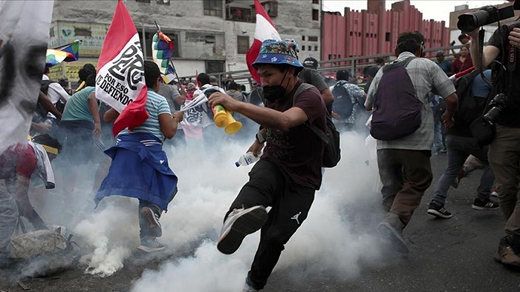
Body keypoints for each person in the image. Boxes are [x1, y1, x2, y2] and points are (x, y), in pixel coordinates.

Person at [208, 39, 326, 291]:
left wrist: (235, 104)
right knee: (259, 181)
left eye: (269, 74)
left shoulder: (309, 95)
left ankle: (253, 284)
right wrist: (258, 142)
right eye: (260, 75)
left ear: (290, 72)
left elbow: (284, 121)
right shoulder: (271, 93)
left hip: (303, 180)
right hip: (274, 162)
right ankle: (235, 217)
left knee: (274, 238)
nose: (264, 81)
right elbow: (269, 122)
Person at [365, 32, 458, 253]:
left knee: (391, 186)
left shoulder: (383, 70)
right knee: (418, 180)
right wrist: (448, 115)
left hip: (385, 142)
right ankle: (392, 223)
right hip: (415, 140)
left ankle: (382, 236)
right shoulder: (427, 65)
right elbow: (451, 97)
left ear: (396, 51)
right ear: (420, 50)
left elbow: (368, 104)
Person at [96, 61, 183, 252]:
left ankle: (147, 241)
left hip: (125, 151)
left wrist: (125, 99)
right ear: (158, 81)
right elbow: (169, 132)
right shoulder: (160, 101)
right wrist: (176, 118)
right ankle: (154, 213)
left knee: (145, 194)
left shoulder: (129, 98)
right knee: (169, 187)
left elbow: (107, 118)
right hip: (148, 151)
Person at [469, 22, 520, 267]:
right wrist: (474, 40)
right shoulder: (507, 31)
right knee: (507, 188)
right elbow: (481, 64)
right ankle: (514, 241)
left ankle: (510, 239)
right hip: (505, 123)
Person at [427, 69, 499, 219]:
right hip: (473, 135)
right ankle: (482, 198)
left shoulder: (464, 79)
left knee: (451, 170)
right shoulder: (491, 77)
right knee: (494, 162)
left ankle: (436, 202)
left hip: (453, 134)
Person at [0, 135, 62, 265]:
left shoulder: (22, 150)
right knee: (9, 208)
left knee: (7, 204)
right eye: (53, 158)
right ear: (48, 152)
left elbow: (11, 184)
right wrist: (36, 221)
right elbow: (21, 195)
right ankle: (2, 255)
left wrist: (23, 206)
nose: (51, 163)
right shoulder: (29, 156)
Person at [55, 74, 101, 201]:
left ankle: (67, 193)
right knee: (78, 160)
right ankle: (76, 195)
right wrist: (97, 122)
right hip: (79, 126)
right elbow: (92, 98)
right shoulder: (94, 91)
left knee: (70, 160)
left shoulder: (80, 92)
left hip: (66, 126)